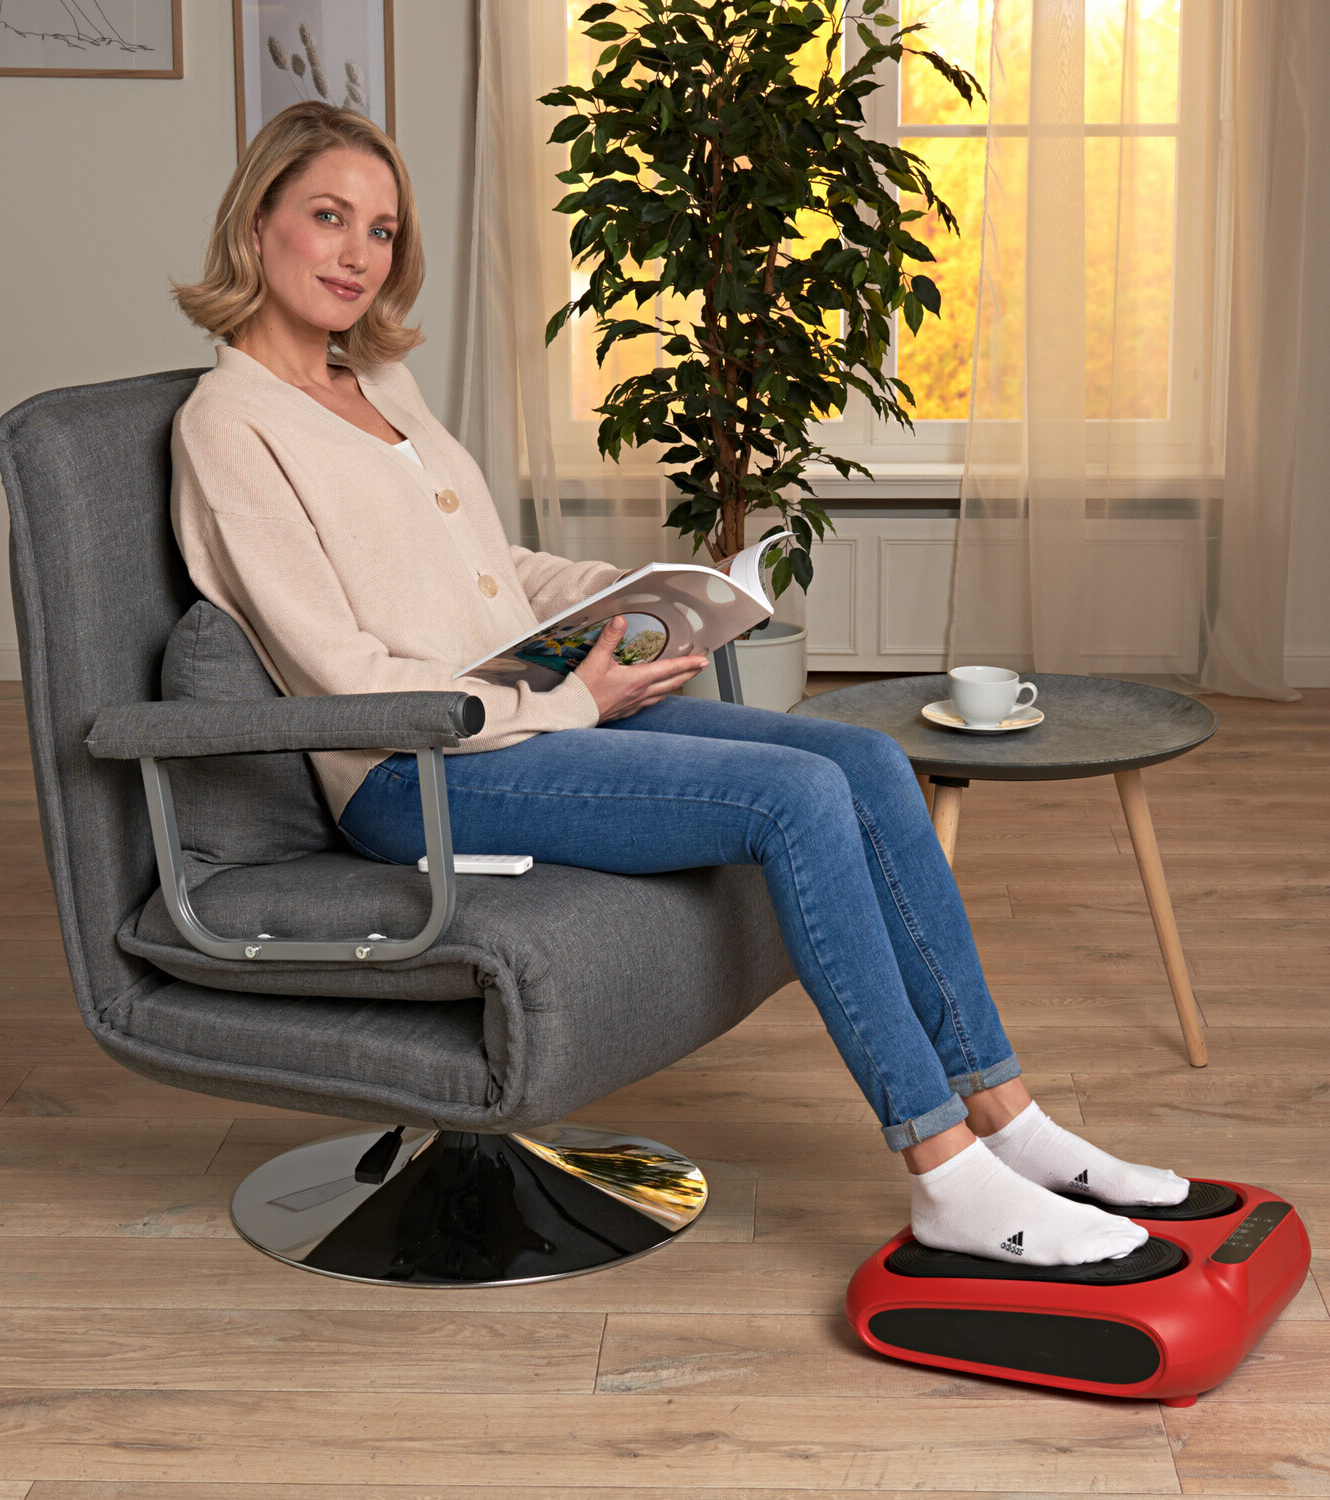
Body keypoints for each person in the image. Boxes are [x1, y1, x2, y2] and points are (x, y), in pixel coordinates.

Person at [170, 102, 1187, 1268]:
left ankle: (1009, 1119)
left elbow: (484, 571)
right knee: (793, 801)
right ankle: (944, 1169)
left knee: (864, 759)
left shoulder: (380, 382)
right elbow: (343, 675)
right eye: (328, 217)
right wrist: (573, 703)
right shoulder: (229, 425)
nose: (358, 253)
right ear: (258, 220)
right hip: (413, 772)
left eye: (383, 230)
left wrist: (626, 594)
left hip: (514, 718)